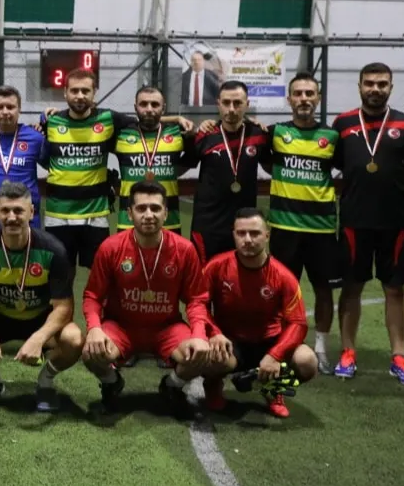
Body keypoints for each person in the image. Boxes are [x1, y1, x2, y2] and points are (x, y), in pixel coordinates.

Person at [80, 181, 211, 417]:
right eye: (141, 208)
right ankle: (111, 382)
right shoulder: (111, 248)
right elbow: (92, 296)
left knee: (201, 354)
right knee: (91, 352)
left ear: (166, 213)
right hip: (121, 327)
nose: (149, 215)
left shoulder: (184, 250)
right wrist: (94, 328)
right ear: (129, 213)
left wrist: (200, 335)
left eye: (155, 208)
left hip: (166, 328)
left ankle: (172, 385)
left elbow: (196, 299)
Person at [331, 62, 404, 385]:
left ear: (390, 87)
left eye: (382, 84)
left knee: (395, 288)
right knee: (351, 286)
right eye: (369, 83)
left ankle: (399, 355)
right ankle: (347, 351)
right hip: (354, 219)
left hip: (395, 221)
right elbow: (336, 163)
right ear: (359, 86)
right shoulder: (343, 123)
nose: (375, 89)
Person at [0, 181, 82, 413]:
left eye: (18, 211)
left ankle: (45, 381)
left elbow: (64, 307)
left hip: (39, 318)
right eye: (5, 210)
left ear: (31, 212)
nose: (11, 217)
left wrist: (39, 338)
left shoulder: (53, 249)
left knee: (74, 339)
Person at [200, 209, 316, 418]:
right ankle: (213, 384)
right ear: (233, 234)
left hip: (270, 341)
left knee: (307, 361)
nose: (247, 239)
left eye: (254, 233)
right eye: (241, 233)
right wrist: (214, 333)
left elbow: (298, 323)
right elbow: (199, 305)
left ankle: (273, 387)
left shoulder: (283, 276)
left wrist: (275, 355)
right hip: (230, 341)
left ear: (267, 235)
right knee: (210, 356)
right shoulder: (215, 267)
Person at [267, 71, 341, 375]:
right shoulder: (275, 133)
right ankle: (281, 346)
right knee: (281, 291)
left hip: (321, 229)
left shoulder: (332, 137)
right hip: (284, 228)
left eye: (310, 94)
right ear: (289, 99)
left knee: (324, 290)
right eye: (298, 94)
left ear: (318, 98)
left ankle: (320, 349)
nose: (304, 99)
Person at [41, 68, 138, 270]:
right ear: (65, 93)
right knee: (61, 276)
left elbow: (147, 121)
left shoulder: (108, 119)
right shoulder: (51, 122)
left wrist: (176, 120)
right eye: (74, 90)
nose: (80, 96)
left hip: (95, 216)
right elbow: (42, 157)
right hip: (57, 215)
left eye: (85, 91)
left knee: (100, 275)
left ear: (94, 93)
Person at [185, 80, 270, 265]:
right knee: (204, 278)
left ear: (247, 104)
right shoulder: (204, 135)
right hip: (208, 226)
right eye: (226, 103)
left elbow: (272, 168)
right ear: (218, 104)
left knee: (241, 277)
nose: (231, 109)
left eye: (237, 103)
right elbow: (181, 167)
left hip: (244, 226)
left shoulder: (259, 135)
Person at [0, 86, 45, 238]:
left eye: (10, 107)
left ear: (19, 109)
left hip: (25, 220)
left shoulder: (35, 138)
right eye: (0, 107)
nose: (5, 112)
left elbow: (52, 166)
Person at [113, 86, 185, 231]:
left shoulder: (178, 132)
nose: (149, 109)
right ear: (135, 108)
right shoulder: (121, 134)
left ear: (163, 108)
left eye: (155, 104)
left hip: (169, 222)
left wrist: (171, 172)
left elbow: (192, 159)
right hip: (128, 223)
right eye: (144, 104)